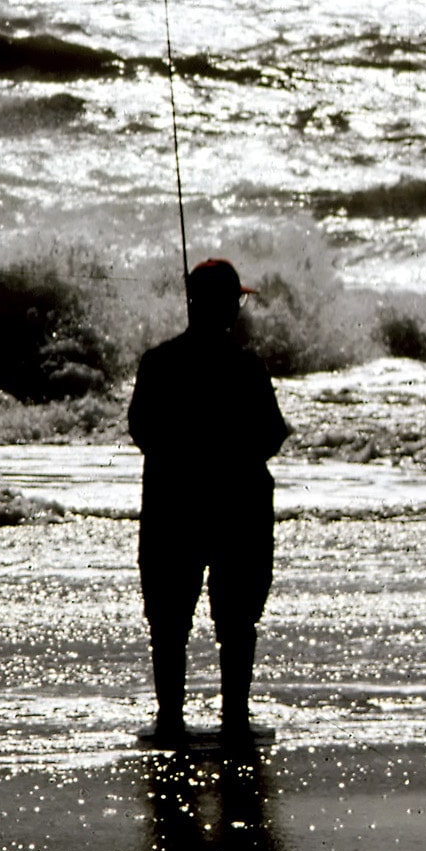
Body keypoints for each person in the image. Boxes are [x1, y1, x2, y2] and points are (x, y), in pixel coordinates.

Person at [128, 258, 290, 743]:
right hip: (238, 506)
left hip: (172, 505)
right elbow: (271, 436)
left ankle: (170, 719)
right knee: (237, 619)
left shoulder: (157, 362)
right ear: (228, 307)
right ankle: (235, 718)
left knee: (169, 619)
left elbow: (141, 430)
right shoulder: (246, 366)